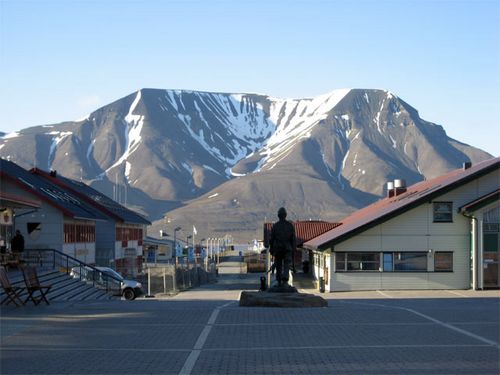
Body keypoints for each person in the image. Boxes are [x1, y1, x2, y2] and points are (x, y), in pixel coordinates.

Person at [269, 207, 296, 286]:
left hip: (278, 248)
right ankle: (285, 279)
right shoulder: (290, 226)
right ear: (285, 215)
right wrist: (293, 248)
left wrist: (271, 249)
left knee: (279, 264)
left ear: (278, 215)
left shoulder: (275, 226)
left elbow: (272, 239)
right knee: (287, 264)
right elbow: (293, 239)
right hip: (287, 248)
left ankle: (279, 280)